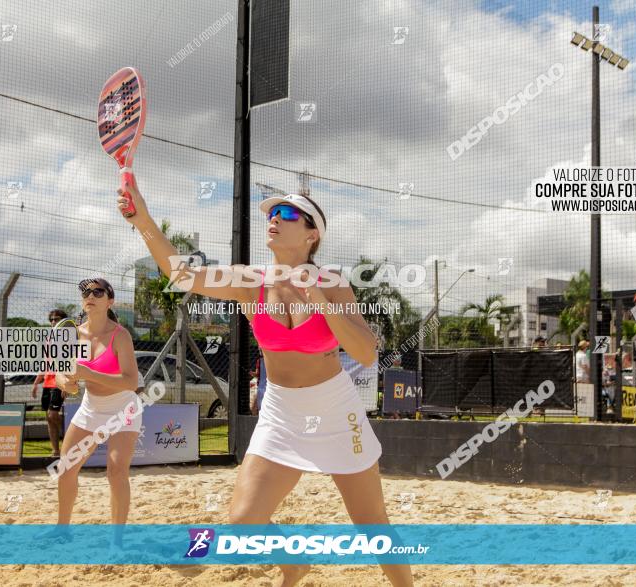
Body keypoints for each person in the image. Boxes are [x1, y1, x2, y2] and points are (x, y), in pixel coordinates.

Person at [118, 180, 413, 587]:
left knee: (373, 526)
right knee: (243, 523)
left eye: (288, 214)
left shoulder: (333, 283)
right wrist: (143, 219)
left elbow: (365, 352)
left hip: (334, 409)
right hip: (281, 412)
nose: (275, 218)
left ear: (313, 234)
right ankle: (294, 564)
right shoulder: (249, 281)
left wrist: (323, 305)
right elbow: (180, 274)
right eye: (273, 213)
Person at [44, 278, 141, 545]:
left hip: (123, 408)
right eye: (86, 292)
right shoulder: (73, 334)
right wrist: (69, 383)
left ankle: (116, 541)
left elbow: (131, 381)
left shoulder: (120, 335)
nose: (90, 295)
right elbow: (62, 377)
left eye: (98, 292)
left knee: (117, 471)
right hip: (91, 407)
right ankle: (63, 529)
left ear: (110, 301)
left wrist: (88, 373)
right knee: (66, 468)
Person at [31, 309, 69, 457]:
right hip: (47, 382)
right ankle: (56, 450)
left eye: (57, 319)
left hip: (59, 382)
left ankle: (70, 437)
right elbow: (46, 362)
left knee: (53, 415)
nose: (53, 322)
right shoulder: (49, 339)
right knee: (48, 417)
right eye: (51, 319)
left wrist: (67, 383)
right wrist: (36, 383)